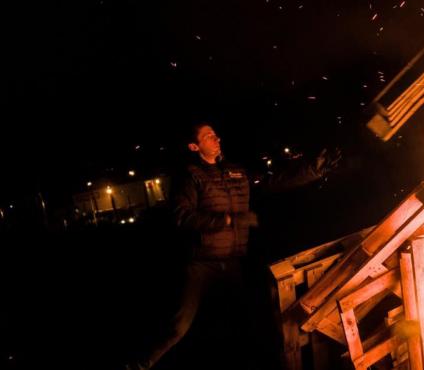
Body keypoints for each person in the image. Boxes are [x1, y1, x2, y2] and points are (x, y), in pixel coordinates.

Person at [125, 122, 339, 370]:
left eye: (215, 134)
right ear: (195, 146)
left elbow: (274, 181)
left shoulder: (236, 172)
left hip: (233, 261)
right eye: (208, 137)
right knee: (179, 326)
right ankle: (140, 364)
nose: (216, 139)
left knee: (246, 322)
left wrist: (313, 169)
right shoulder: (191, 176)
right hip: (202, 264)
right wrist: (227, 220)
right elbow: (182, 217)